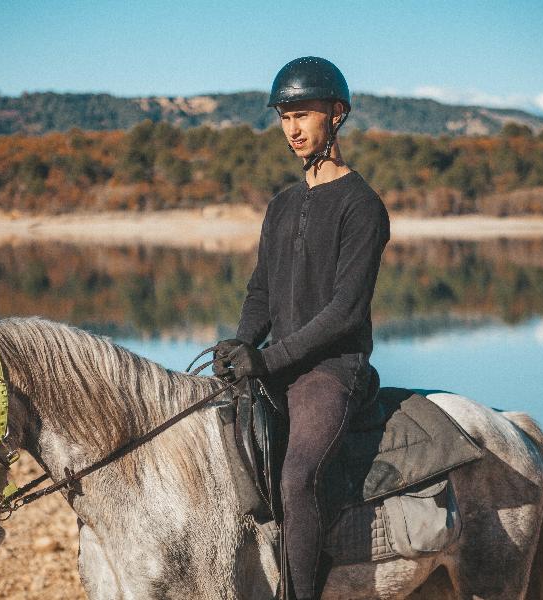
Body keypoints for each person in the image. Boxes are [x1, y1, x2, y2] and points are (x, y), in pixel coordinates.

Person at [214, 56, 390, 600]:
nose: (292, 129)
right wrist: (242, 342)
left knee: (297, 478)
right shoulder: (282, 204)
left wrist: (266, 359)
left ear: (336, 116)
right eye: (284, 116)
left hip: (332, 371)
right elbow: (261, 290)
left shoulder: (363, 207)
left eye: (303, 115)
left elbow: (344, 314)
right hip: (278, 362)